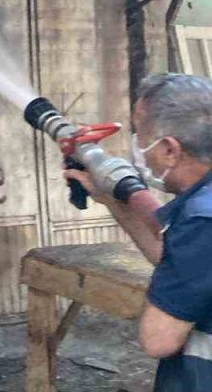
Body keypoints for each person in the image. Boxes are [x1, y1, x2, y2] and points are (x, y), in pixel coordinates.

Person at [66, 73, 212, 391]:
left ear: (171, 150)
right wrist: (111, 199)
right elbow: (169, 254)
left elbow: (157, 340)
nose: (140, 151)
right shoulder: (202, 203)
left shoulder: (203, 220)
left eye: (142, 137)